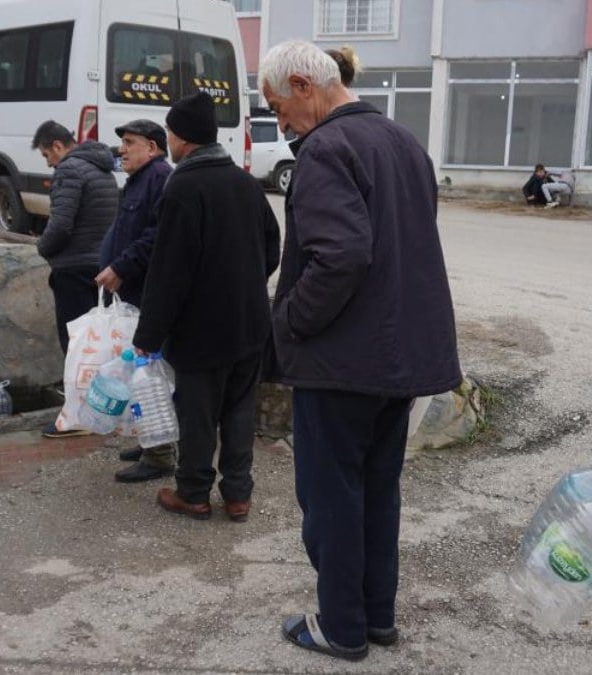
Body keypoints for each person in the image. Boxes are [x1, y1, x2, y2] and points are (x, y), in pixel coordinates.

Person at [258, 40, 461, 662]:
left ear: (302, 84)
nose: (281, 123)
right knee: (377, 490)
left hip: (343, 360)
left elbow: (341, 257)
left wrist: (287, 322)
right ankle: (376, 616)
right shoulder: (404, 141)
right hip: (397, 360)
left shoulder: (326, 148)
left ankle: (342, 627)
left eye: (278, 107)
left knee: (332, 496)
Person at [132, 91, 280, 523]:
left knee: (197, 414)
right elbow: (271, 247)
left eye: (171, 133)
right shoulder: (245, 182)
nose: (169, 140)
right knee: (238, 411)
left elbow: (168, 271)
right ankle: (237, 496)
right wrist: (246, 284)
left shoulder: (184, 187)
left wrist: (149, 334)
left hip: (201, 331)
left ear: (183, 139)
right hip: (249, 324)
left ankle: (193, 493)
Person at [94, 118, 176, 483]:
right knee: (139, 372)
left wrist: (121, 266)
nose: (121, 149)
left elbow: (155, 236)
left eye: (129, 142)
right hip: (133, 292)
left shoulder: (159, 178)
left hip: (147, 293)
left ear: (153, 147)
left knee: (150, 376)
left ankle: (160, 455)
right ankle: (150, 443)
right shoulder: (139, 181)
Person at [31, 120, 119, 438]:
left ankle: (78, 417)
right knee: (96, 347)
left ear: (58, 145)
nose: (49, 163)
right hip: (100, 267)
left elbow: (60, 226)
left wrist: (41, 247)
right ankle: (99, 412)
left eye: (46, 155)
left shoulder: (69, 170)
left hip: (73, 268)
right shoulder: (103, 169)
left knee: (75, 348)